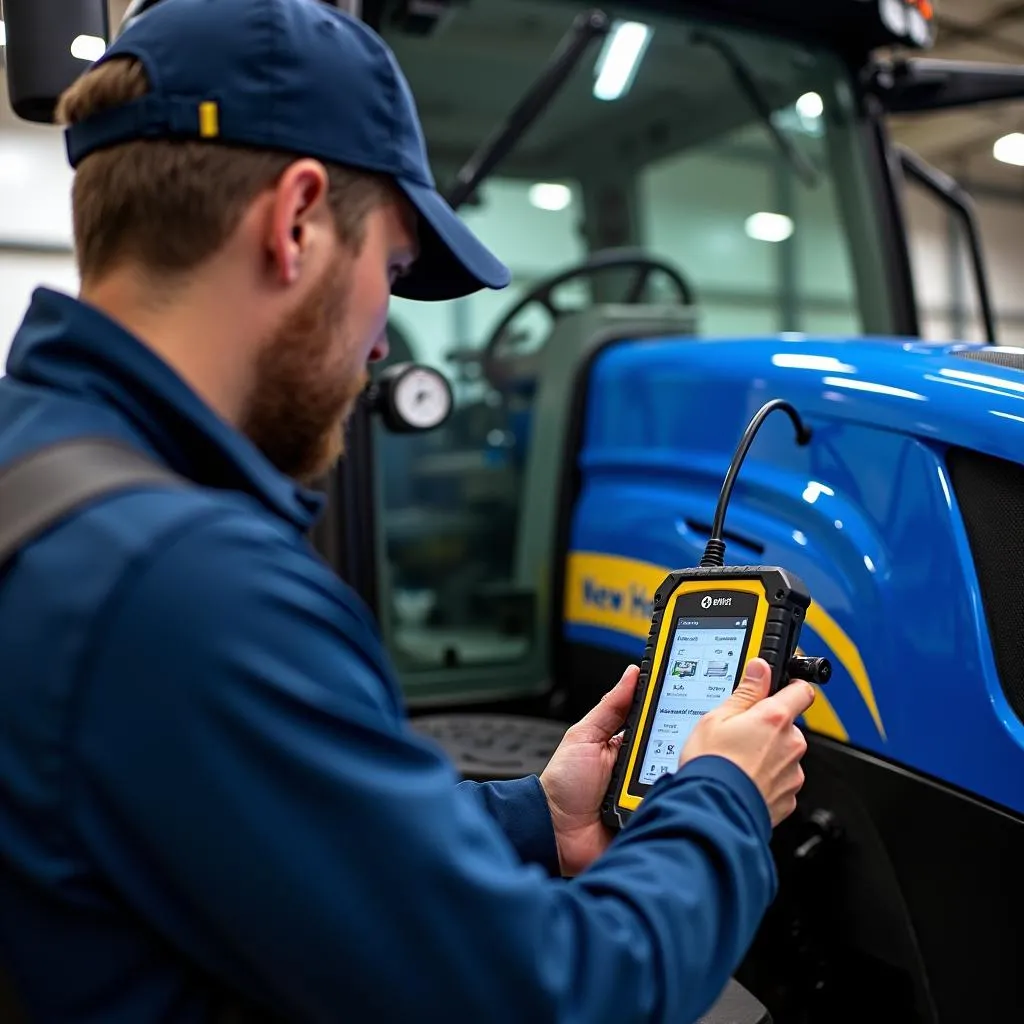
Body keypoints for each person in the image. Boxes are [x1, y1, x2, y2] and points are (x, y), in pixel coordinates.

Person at [0, 0, 815, 1021]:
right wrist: (723, 801)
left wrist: (536, 813)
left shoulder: (39, 477)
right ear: (294, 219)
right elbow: (556, 996)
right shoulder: (187, 585)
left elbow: (252, 829)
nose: (384, 345)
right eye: (388, 271)